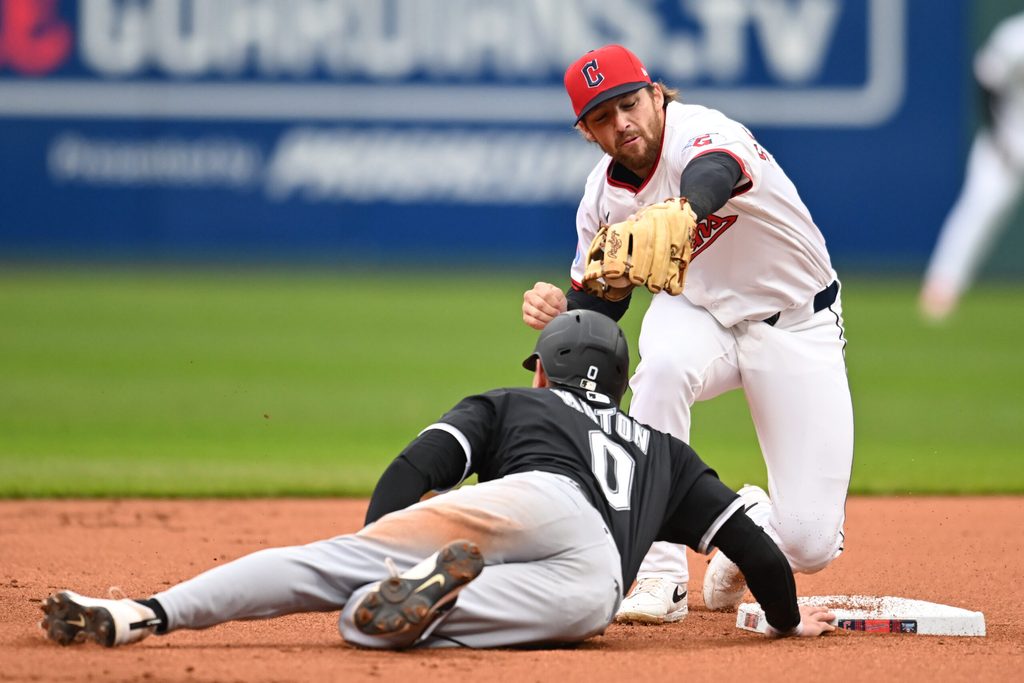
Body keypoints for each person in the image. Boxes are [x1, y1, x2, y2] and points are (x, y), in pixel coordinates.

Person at [41, 311, 836, 650]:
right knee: (367, 625)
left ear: (542, 372)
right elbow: (759, 553)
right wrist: (789, 620)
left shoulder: (508, 403)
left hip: (519, 497)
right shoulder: (664, 451)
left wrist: (373, 539)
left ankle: (146, 612)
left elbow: (411, 472)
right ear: (619, 383)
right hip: (593, 580)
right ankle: (411, 599)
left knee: (332, 574)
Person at [522, 44, 854, 624]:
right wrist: (561, 311)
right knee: (662, 368)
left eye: (629, 104)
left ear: (655, 94)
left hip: (797, 323)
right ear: (587, 131)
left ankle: (747, 525)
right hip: (700, 315)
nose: (621, 123)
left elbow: (716, 171)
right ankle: (659, 574)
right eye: (602, 116)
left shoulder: (701, 131)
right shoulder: (602, 199)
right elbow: (599, 306)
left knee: (811, 546)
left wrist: (686, 209)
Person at [919, 12, 1024, 322]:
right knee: (976, 213)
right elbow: (986, 80)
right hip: (1006, 148)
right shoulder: (1016, 35)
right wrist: (999, 135)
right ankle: (941, 288)